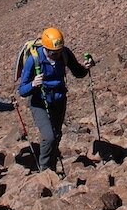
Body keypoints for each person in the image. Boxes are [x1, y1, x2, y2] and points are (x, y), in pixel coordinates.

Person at [17, 27, 93, 172]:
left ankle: (52, 166)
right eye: (54, 52)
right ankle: (45, 170)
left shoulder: (64, 53)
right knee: (49, 137)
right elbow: (22, 90)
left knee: (57, 135)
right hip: (39, 101)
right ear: (46, 48)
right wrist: (33, 84)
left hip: (58, 100)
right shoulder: (34, 60)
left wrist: (86, 68)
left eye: (58, 51)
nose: (57, 55)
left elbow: (78, 72)